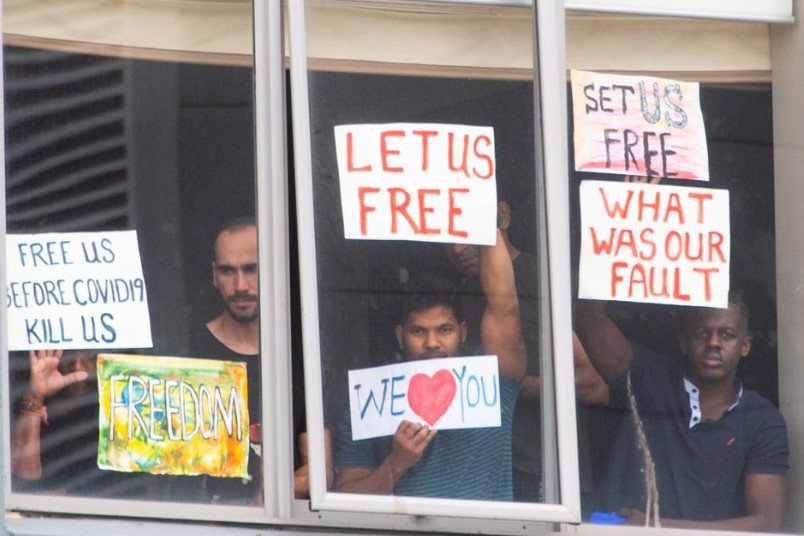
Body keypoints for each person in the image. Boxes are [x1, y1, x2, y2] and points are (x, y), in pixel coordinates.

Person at [333, 228, 526, 500]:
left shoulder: (493, 380)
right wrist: (397, 462)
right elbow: (344, 500)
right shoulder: (370, 401)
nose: (432, 342)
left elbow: (505, 303)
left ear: (463, 332)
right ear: (400, 336)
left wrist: (482, 214)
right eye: (418, 331)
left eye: (444, 330)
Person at [576, 295, 789, 531]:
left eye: (726, 334)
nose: (714, 343)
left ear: (745, 346)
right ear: (684, 342)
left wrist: (655, 526)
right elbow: (590, 319)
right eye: (702, 333)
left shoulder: (762, 419)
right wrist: (602, 275)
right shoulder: (651, 380)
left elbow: (766, 524)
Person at [446, 200, 608, 502]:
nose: (456, 248)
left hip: (539, 469)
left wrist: (504, 388)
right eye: (447, 234)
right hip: (489, 468)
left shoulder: (541, 281)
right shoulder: (462, 292)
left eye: (466, 230)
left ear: (502, 216)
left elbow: (595, 385)